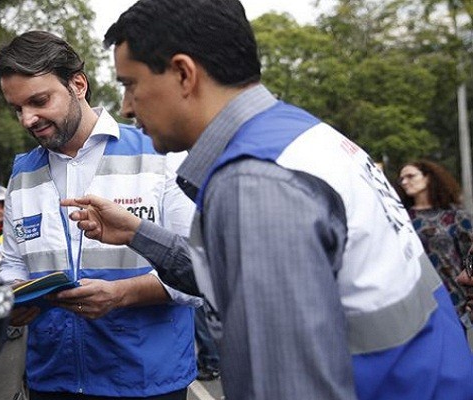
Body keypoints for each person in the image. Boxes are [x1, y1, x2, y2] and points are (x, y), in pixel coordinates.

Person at [59, 0, 473, 398]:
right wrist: (137, 233)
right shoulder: (298, 136)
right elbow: (229, 274)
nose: (127, 107)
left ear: (184, 74)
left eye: (131, 84)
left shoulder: (254, 183)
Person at [0, 30, 201, 399]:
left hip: (147, 382)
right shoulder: (21, 173)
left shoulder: (161, 156)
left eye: (39, 101)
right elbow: (13, 264)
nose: (27, 120)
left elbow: (201, 270)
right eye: (17, 108)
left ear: (78, 84)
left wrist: (122, 294)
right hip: (52, 381)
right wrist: (12, 295)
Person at [398, 160, 473, 320]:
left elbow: (470, 259)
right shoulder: (400, 219)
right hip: (414, 303)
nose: (404, 182)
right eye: (401, 179)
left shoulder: (455, 217)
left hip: (453, 300)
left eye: (410, 176)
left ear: (428, 178)